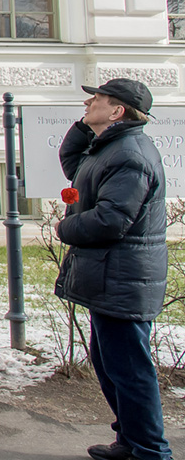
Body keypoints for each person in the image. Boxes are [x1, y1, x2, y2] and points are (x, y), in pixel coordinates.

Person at [55, 79, 172, 460]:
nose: (88, 102)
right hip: (112, 277)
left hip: (123, 278)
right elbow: (76, 165)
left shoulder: (130, 155)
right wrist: (86, 124)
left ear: (118, 110)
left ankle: (151, 451)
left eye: (97, 99)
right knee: (111, 364)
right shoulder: (111, 148)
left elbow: (111, 220)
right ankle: (131, 441)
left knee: (130, 371)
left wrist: (64, 227)